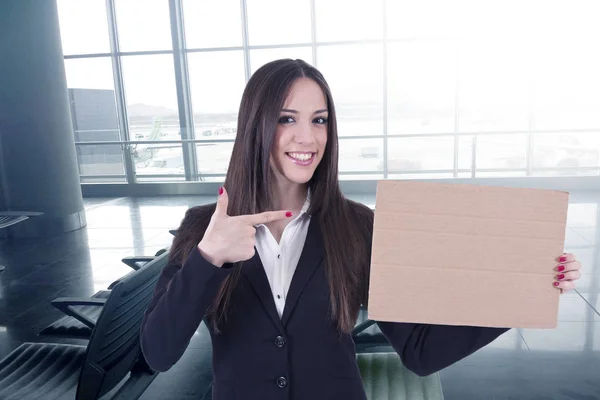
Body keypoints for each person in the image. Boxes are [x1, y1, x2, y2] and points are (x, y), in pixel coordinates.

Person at [139, 59, 582, 399]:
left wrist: (524, 291)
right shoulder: (204, 228)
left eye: (320, 120)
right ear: (255, 125)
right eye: (287, 118)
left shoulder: (356, 227)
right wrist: (208, 258)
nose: (307, 138)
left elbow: (421, 350)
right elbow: (158, 353)